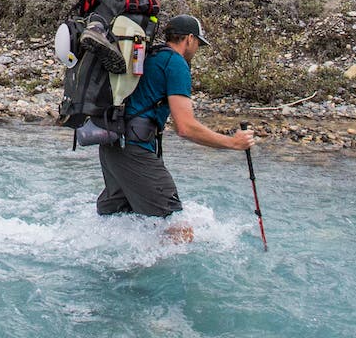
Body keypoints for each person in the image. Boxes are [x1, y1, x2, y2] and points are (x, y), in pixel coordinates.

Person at [96, 13, 255, 239]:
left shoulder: (148, 55)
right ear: (189, 39)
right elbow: (186, 127)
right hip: (135, 151)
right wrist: (232, 143)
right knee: (180, 230)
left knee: (123, 221)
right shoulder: (176, 63)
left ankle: (113, 271)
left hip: (112, 147)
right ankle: (153, 274)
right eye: (198, 42)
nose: (197, 48)